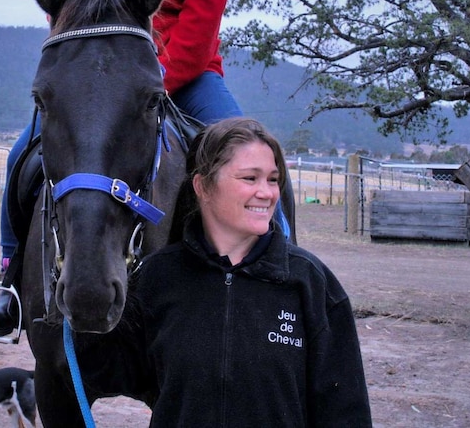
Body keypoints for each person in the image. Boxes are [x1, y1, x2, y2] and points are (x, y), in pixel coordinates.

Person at [0, 0, 254, 337]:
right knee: (22, 154)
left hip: (183, 68)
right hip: (95, 73)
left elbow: (207, 3)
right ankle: (11, 282)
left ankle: (274, 283)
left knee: (249, 157)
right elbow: (64, 0)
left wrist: (150, 80)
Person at [134, 117, 372, 426]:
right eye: (250, 178)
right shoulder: (157, 277)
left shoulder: (310, 282)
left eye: (273, 179)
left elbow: (345, 412)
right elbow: (108, 369)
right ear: (203, 186)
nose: (268, 193)